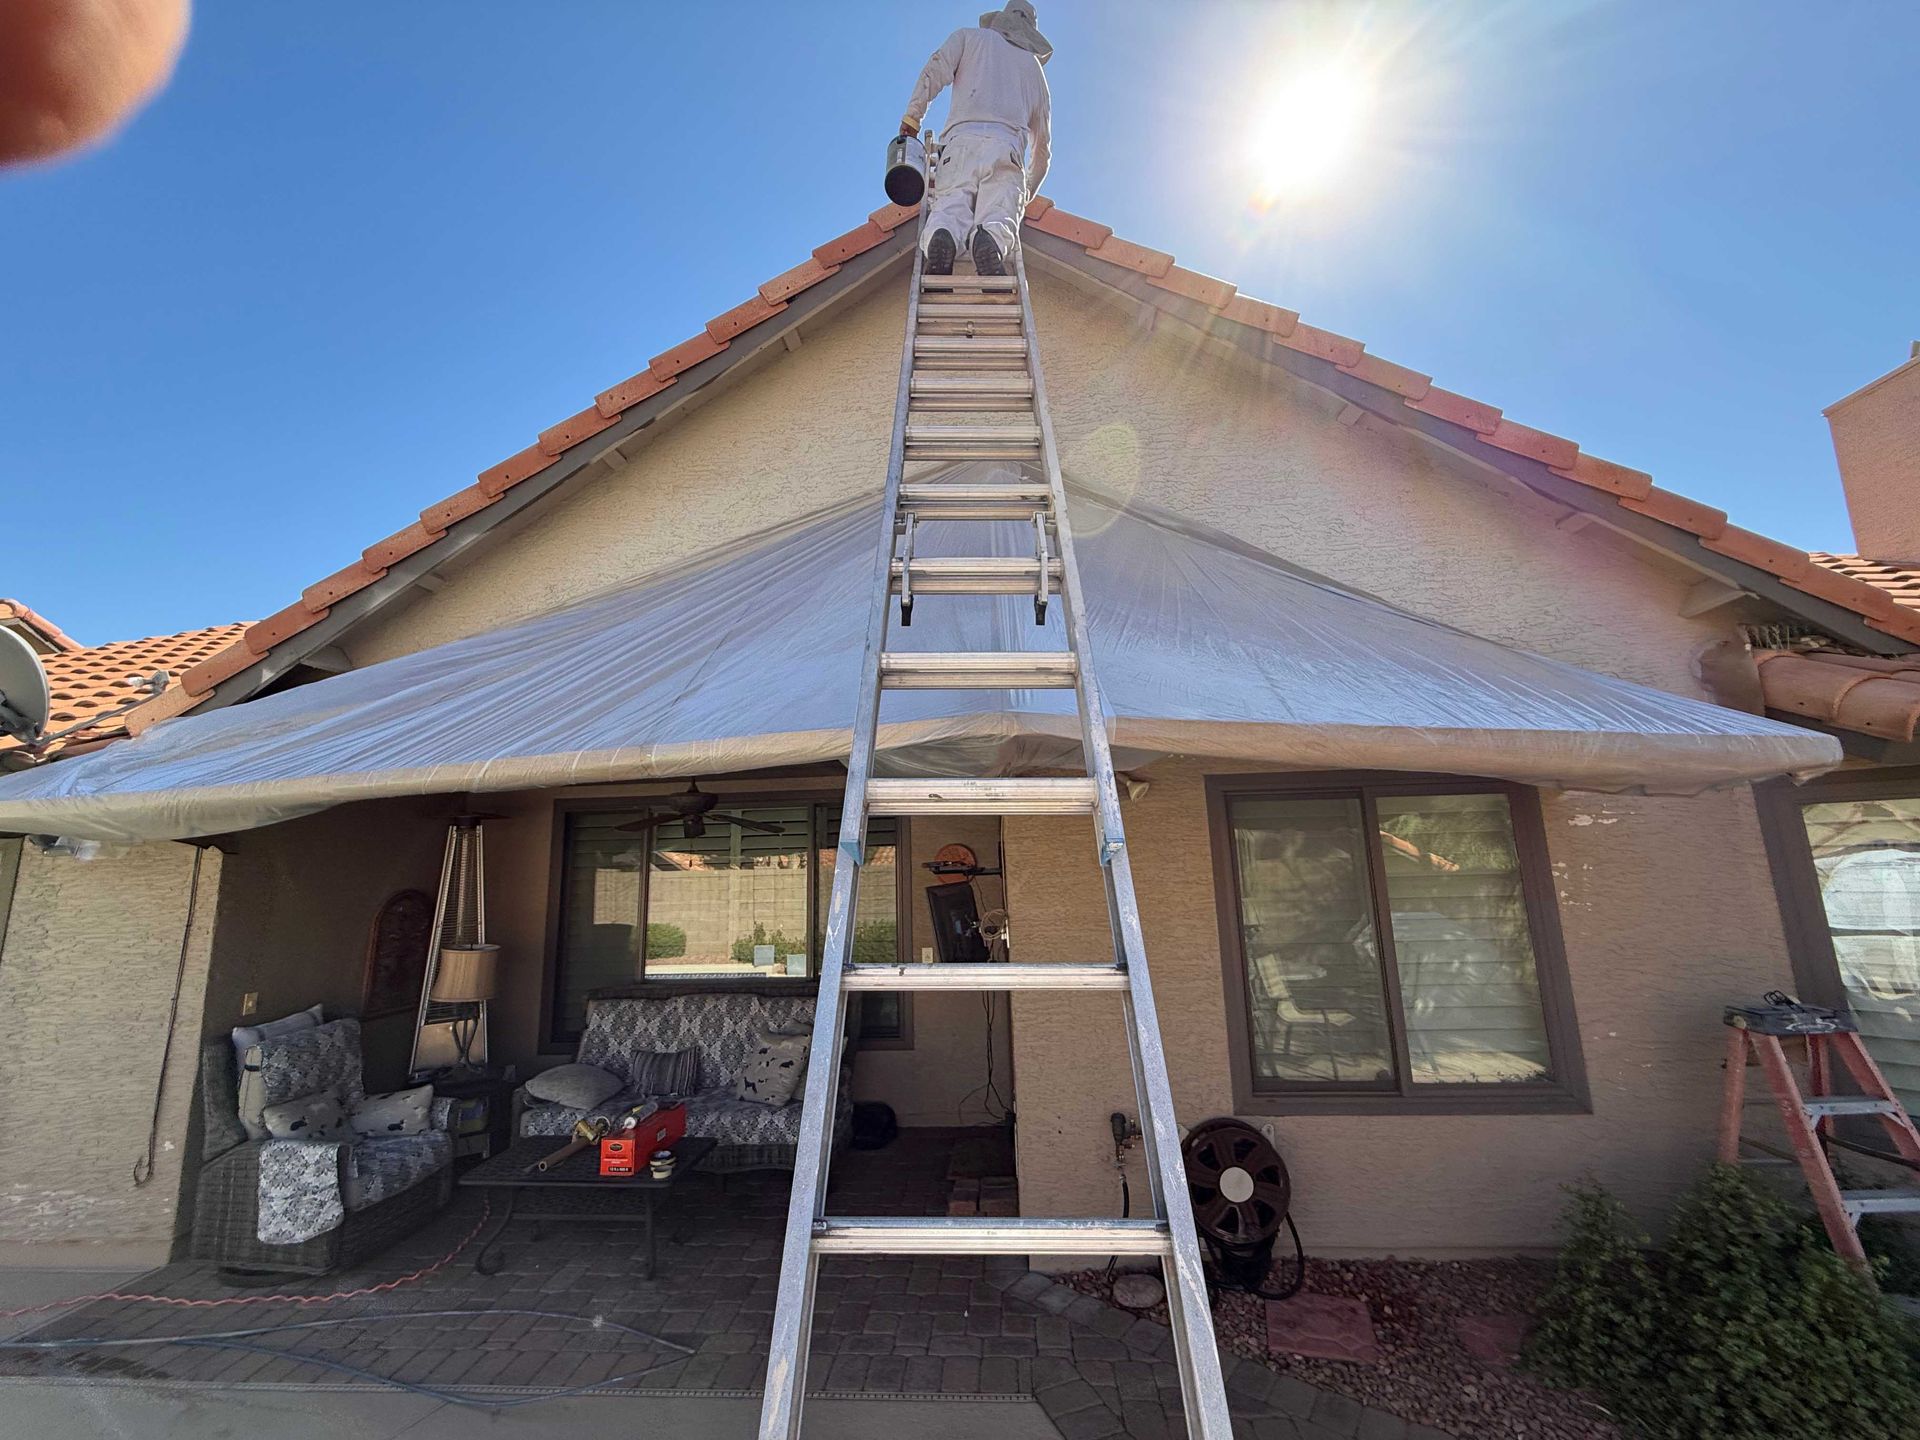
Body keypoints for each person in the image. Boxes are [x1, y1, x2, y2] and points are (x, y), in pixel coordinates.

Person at [899, 3, 1052, 278]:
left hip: (959, 144)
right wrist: (1025, 193)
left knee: (949, 206)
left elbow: (933, 71)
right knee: (999, 213)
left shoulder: (968, 37)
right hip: (1006, 149)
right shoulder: (1034, 70)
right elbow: (1043, 150)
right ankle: (990, 240)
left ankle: (942, 235)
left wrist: (912, 119)